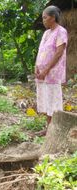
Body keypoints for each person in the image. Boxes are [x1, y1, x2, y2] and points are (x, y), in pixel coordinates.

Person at [35, 5, 68, 135]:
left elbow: (59, 53)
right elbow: (41, 51)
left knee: (53, 100)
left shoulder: (61, 31)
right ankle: (48, 127)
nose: (43, 20)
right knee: (46, 99)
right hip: (42, 74)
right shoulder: (46, 33)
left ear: (53, 18)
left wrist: (46, 70)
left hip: (52, 73)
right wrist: (37, 67)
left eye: (45, 17)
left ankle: (54, 130)